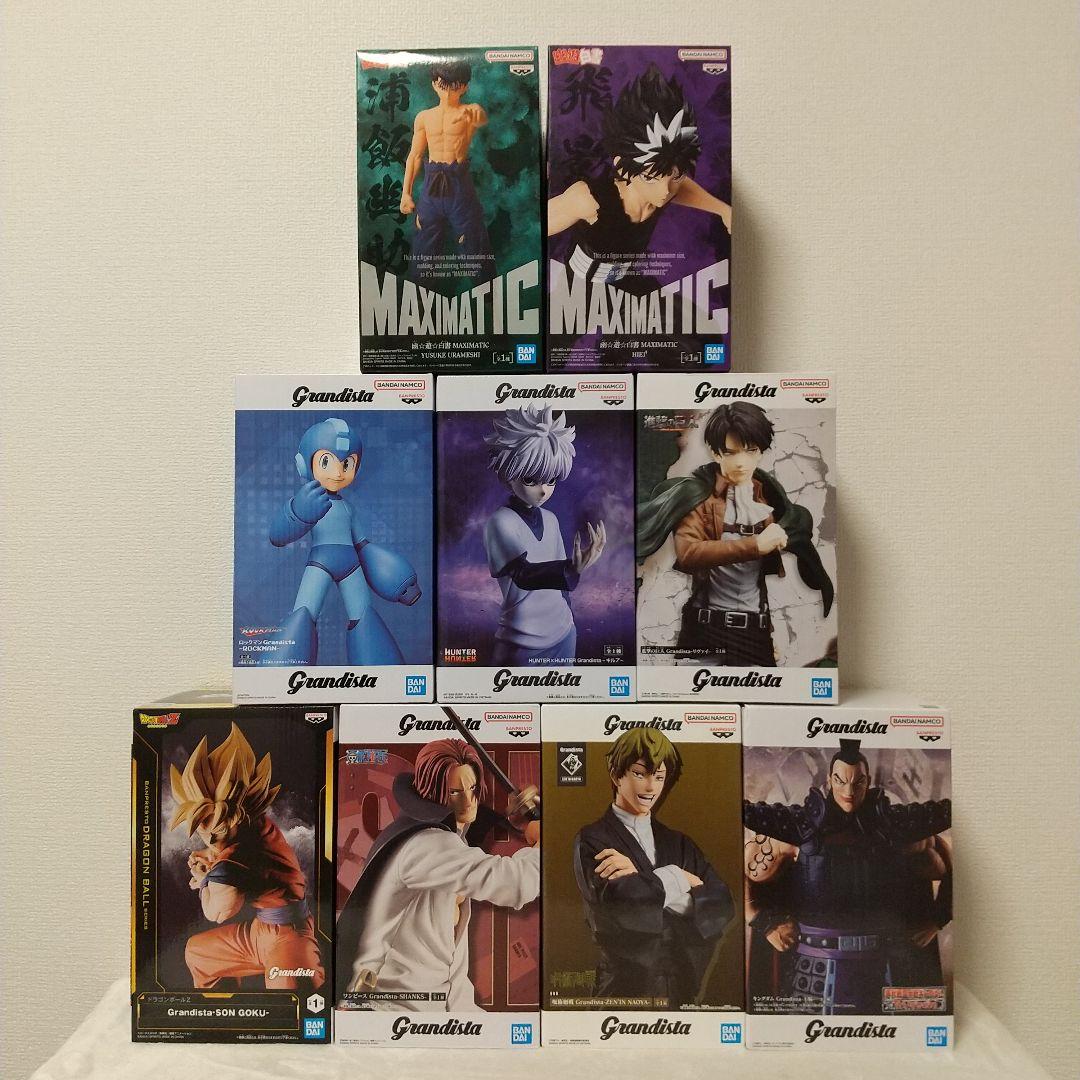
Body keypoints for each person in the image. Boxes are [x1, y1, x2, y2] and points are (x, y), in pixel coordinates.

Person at [743, 739, 953, 1015]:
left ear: (868, 782)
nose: (849, 792)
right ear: (829, 781)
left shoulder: (897, 830)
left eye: (857, 782)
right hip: (815, 966)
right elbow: (744, 871)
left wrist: (937, 919)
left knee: (895, 1033)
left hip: (887, 964)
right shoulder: (798, 831)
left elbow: (948, 865)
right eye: (840, 781)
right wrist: (764, 922)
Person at [335, 739, 539, 1011]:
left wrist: (511, 816)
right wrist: (542, 844)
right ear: (434, 793)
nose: (468, 801)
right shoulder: (426, 844)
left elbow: (466, 832)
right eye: (454, 792)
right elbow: (515, 884)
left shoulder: (424, 833)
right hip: (394, 1005)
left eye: (473, 789)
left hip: (444, 999)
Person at [636, 400, 833, 667]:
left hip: (755, 630)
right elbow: (689, 553)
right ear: (716, 453)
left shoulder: (770, 497)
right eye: (730, 453)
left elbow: (764, 569)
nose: (741, 462)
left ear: (761, 451)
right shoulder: (698, 497)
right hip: (705, 629)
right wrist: (756, 545)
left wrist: (764, 632)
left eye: (751, 451)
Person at [572, 728, 734, 1007]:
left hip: (683, 990)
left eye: (659, 777)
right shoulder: (592, 838)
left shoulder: (678, 842)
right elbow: (622, 903)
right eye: (639, 774)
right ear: (616, 775)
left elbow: (722, 904)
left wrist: (644, 880)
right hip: (623, 992)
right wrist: (680, 878)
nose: (650, 787)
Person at [170, 723, 324, 992]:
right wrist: (212, 863)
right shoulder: (256, 825)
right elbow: (234, 854)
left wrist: (206, 880)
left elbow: (217, 912)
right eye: (204, 830)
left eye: (216, 829)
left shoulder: (233, 860)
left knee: (288, 1004)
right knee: (199, 953)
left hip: (290, 940)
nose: (209, 839)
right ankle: (227, 1011)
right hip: (259, 932)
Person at [548, 64, 730, 288]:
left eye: (675, 177)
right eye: (650, 178)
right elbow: (535, 227)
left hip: (624, 284)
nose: (665, 191)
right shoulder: (588, 199)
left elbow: (682, 186)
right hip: (578, 290)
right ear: (622, 167)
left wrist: (724, 210)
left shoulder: (664, 189)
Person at [267, 416, 421, 665]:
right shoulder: (310, 503)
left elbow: (364, 546)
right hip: (320, 565)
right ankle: (282, 670)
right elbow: (277, 537)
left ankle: (381, 671)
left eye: (347, 464)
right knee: (303, 616)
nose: (338, 472)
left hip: (352, 566)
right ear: (304, 465)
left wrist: (398, 581)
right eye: (326, 461)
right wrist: (297, 513)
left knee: (364, 616)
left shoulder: (348, 509)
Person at [483, 405, 606, 665]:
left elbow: (561, 587)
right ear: (508, 475)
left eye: (551, 481)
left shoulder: (550, 519)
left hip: (564, 632)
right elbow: (524, 574)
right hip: (521, 640)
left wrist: (570, 610)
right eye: (531, 480)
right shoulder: (500, 522)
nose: (543, 490)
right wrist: (571, 568)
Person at [400, 60, 492, 274]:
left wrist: (474, 117)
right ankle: (419, 294)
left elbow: (480, 118)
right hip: (431, 187)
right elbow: (415, 155)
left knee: (474, 246)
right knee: (423, 252)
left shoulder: (469, 110)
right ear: (434, 84)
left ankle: (488, 292)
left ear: (464, 87)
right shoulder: (424, 117)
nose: (449, 92)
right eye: (443, 86)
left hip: (459, 185)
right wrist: (406, 193)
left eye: (455, 86)